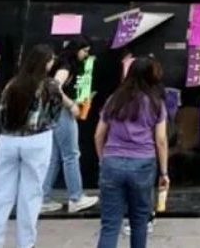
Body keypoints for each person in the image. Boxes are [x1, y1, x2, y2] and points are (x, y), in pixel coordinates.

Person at [0, 44, 76, 248]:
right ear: (46, 63)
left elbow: (1, 114)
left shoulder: (12, 84)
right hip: (37, 139)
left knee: (1, 196)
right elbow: (54, 116)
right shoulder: (50, 86)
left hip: (8, 139)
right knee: (30, 196)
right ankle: (26, 243)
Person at [95, 56, 170, 248]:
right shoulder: (155, 103)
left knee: (110, 225)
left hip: (112, 162)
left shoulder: (114, 100)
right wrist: (164, 172)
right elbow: (161, 141)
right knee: (139, 222)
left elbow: (98, 135)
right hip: (143, 164)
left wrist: (103, 159)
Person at [41, 36, 99, 214]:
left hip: (51, 112)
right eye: (85, 51)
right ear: (77, 50)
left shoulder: (60, 64)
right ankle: (76, 197)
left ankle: (42, 198)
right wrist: (71, 105)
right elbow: (54, 87)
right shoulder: (66, 66)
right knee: (71, 155)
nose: (86, 55)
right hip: (62, 112)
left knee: (54, 157)